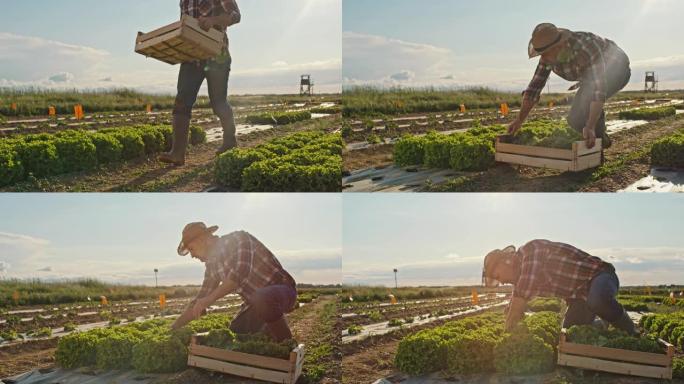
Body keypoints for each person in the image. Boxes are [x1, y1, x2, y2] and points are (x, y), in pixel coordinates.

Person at [509, 23, 631, 149]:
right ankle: (600, 141)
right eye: (541, 54)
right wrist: (519, 120)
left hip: (617, 68)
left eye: (546, 53)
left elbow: (597, 90)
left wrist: (590, 125)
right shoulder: (547, 59)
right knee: (575, 119)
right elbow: (534, 89)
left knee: (587, 103)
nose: (543, 58)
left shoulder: (586, 46)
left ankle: (595, 149)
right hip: (590, 78)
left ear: (559, 46)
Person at [171, 222, 297, 342]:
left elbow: (239, 275)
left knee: (263, 298)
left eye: (192, 249)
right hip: (254, 303)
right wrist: (174, 328)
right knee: (236, 333)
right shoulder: (211, 266)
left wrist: (208, 300)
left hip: (282, 291)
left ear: (202, 240)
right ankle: (267, 330)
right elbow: (199, 300)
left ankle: (287, 346)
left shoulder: (239, 239)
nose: (192, 255)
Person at [481, 239, 638, 335]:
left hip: (601, 276)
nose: (500, 282)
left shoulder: (531, 251)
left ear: (505, 262)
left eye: (497, 276)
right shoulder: (522, 277)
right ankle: (605, 323)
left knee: (597, 301)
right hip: (579, 297)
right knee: (570, 334)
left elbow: (520, 298)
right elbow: (513, 307)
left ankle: (632, 332)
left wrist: (506, 333)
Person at [159, 0, 241, 166]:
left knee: (218, 103)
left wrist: (213, 21)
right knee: (181, 102)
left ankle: (229, 141)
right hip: (191, 57)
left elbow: (236, 15)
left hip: (217, 56)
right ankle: (177, 153)